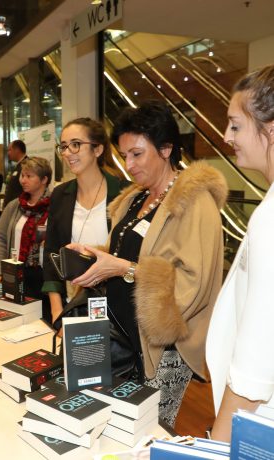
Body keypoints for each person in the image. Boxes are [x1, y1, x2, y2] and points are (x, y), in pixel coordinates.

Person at [68, 101, 227, 427]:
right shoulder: (136, 197)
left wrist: (122, 269)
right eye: (124, 155)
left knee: (147, 431)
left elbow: (195, 282)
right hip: (120, 336)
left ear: (166, 149)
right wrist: (94, 257)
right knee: (114, 425)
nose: (129, 164)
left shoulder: (195, 201)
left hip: (162, 347)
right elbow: (126, 251)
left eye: (137, 154)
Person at [207, 65, 274, 441]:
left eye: (236, 125)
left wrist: (217, 446)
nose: (226, 136)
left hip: (257, 424)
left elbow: (255, 367)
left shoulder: (271, 218)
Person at [42, 117, 125, 325]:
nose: (68, 152)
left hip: (116, 311)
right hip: (73, 307)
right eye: (64, 146)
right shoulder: (61, 194)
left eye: (76, 144)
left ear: (98, 149)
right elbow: (52, 253)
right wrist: (57, 312)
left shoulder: (125, 193)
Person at [0, 157, 53, 324]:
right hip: (16, 274)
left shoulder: (56, 205)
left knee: (45, 322)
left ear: (44, 180)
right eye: (22, 175)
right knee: (17, 321)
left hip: (45, 278)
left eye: (29, 176)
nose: (23, 180)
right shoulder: (14, 205)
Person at [3, 139, 27, 207]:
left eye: (9, 150)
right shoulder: (18, 166)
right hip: (12, 206)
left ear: (17, 150)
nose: (8, 153)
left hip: (19, 207)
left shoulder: (27, 165)